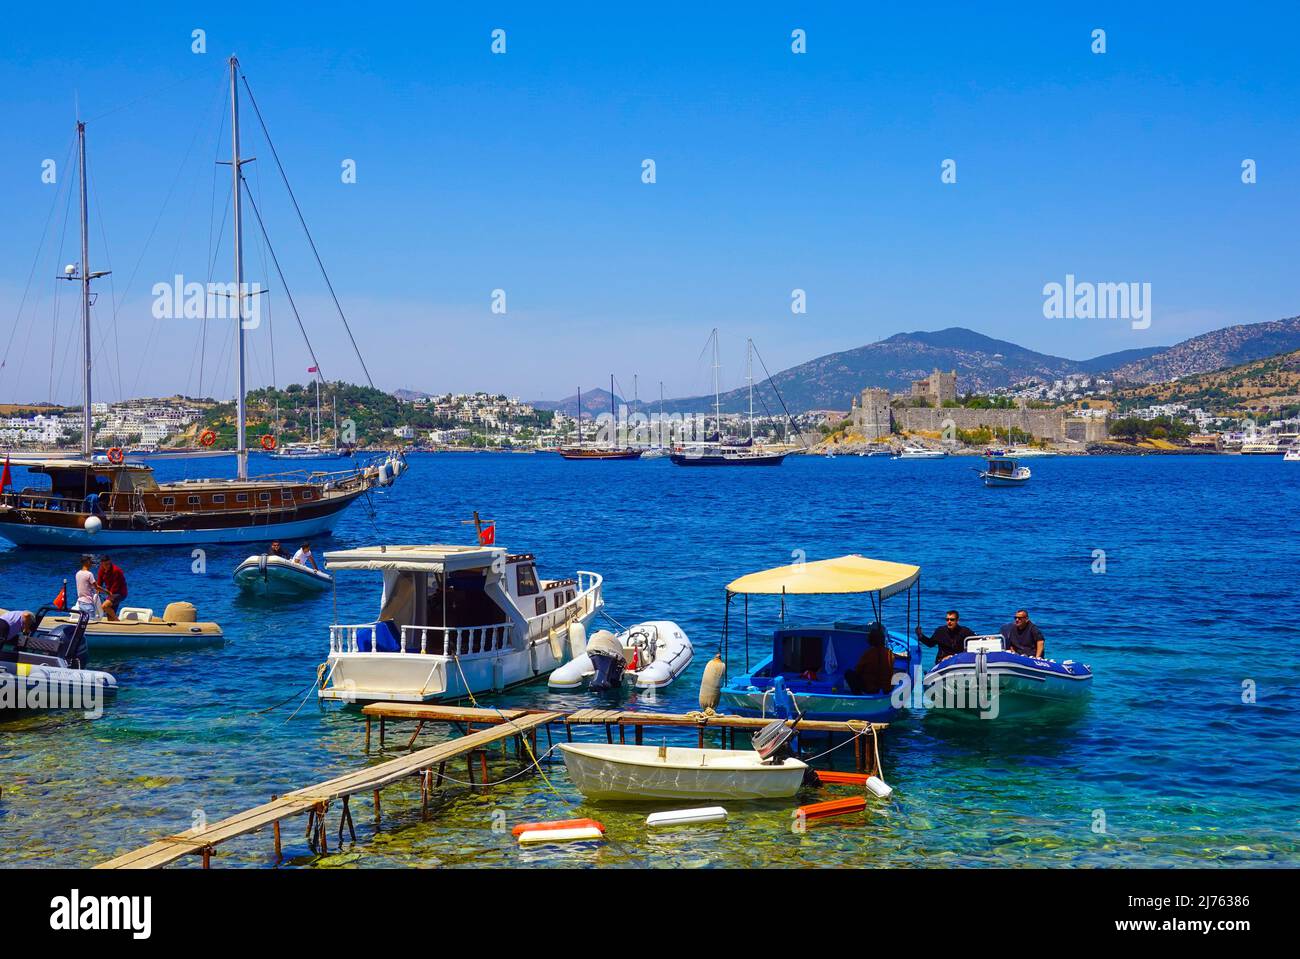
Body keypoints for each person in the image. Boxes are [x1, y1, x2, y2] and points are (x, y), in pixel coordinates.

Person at [842, 624, 895, 695]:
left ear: (871, 640)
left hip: (871, 689)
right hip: (887, 688)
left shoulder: (868, 654)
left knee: (848, 673)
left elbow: (858, 670)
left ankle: (858, 695)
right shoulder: (890, 653)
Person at [96, 555, 128, 622]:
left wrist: (109, 596)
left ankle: (117, 620)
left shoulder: (116, 570)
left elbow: (116, 586)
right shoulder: (101, 570)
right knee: (110, 619)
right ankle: (115, 625)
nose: (108, 566)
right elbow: (99, 583)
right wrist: (97, 592)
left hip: (120, 593)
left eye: (109, 564)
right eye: (105, 564)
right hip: (110, 593)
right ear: (102, 564)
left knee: (104, 606)